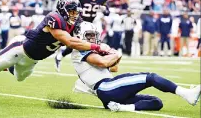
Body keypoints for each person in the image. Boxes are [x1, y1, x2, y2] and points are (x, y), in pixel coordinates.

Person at [71, 21, 200, 111]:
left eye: (94, 35)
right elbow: (103, 62)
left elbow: (114, 68)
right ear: (79, 36)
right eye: (89, 35)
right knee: (150, 77)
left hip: (110, 92)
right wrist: (115, 53)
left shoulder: (92, 50)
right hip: (106, 87)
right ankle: (186, 94)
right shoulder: (79, 51)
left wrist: (113, 55)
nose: (93, 39)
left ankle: (122, 108)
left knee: (156, 102)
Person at [0, 0, 110, 82]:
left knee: (19, 78)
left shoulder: (76, 22)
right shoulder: (54, 18)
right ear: (63, 10)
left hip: (33, 59)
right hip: (21, 48)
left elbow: (82, 37)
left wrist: (100, 49)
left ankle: (9, 64)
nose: (75, 15)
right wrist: (97, 47)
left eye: (76, 12)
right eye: (72, 12)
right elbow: (69, 41)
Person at [55, 0, 110, 72]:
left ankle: (61, 55)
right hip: (78, 20)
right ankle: (63, 55)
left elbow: (107, 11)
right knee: (80, 42)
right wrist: (75, 6)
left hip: (90, 22)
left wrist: (104, 9)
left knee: (80, 43)